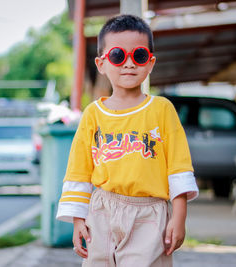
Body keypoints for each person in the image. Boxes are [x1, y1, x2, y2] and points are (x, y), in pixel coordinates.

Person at [56, 14, 199, 266]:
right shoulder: (93, 114)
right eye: (118, 56)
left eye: (139, 55)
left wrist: (179, 217)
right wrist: (78, 220)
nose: (129, 64)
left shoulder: (162, 109)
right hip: (101, 211)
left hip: (150, 214)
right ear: (101, 63)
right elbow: (79, 170)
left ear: (151, 62)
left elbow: (178, 168)